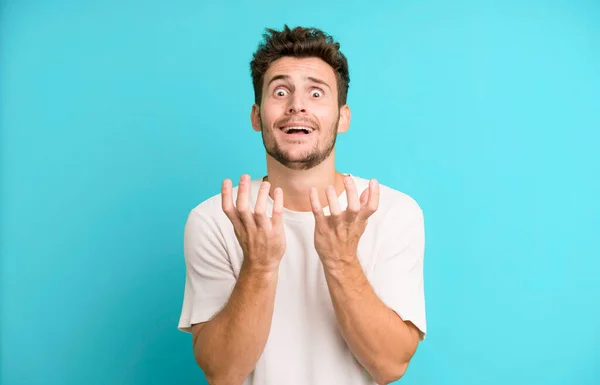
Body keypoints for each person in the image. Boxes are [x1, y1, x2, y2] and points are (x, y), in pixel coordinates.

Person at [178, 24, 427, 385]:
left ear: (342, 117)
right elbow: (222, 372)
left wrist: (341, 261)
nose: (297, 105)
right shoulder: (215, 219)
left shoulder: (391, 212)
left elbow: (390, 366)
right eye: (280, 91)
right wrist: (260, 266)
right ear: (256, 116)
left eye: (315, 93)